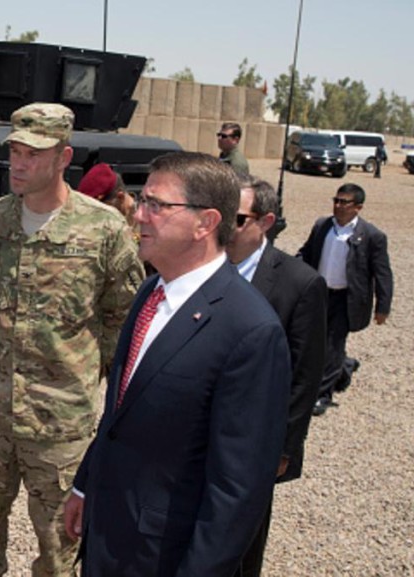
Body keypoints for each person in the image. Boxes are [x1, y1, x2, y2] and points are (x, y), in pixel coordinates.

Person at [64, 152, 291, 577]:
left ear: (205, 223)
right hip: (108, 537)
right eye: (140, 199)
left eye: (157, 205)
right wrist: (85, 485)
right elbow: (120, 412)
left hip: (164, 556)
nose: (139, 216)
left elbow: (238, 490)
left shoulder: (250, 330)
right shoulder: (150, 294)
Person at [0, 102, 144, 577]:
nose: (19, 164)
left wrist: (76, 372)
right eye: (16, 151)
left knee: (60, 552)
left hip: (61, 427)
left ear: (64, 157)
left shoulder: (104, 230)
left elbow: (121, 319)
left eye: (34, 154)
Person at [226, 175, 327, 577]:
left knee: (240, 544)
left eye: (236, 220)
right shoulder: (199, 268)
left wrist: (283, 447)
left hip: (253, 443)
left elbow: (305, 375)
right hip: (197, 433)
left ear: (265, 222)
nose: (223, 230)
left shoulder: (299, 284)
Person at [298, 183, 392, 416]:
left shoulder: (372, 236)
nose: (338, 206)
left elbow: (382, 273)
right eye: (336, 200)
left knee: (332, 345)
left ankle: (322, 394)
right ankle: (345, 367)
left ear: (358, 207)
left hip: (346, 299)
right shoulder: (322, 227)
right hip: (320, 294)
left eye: (344, 202)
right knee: (313, 339)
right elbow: (306, 253)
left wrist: (383, 307)